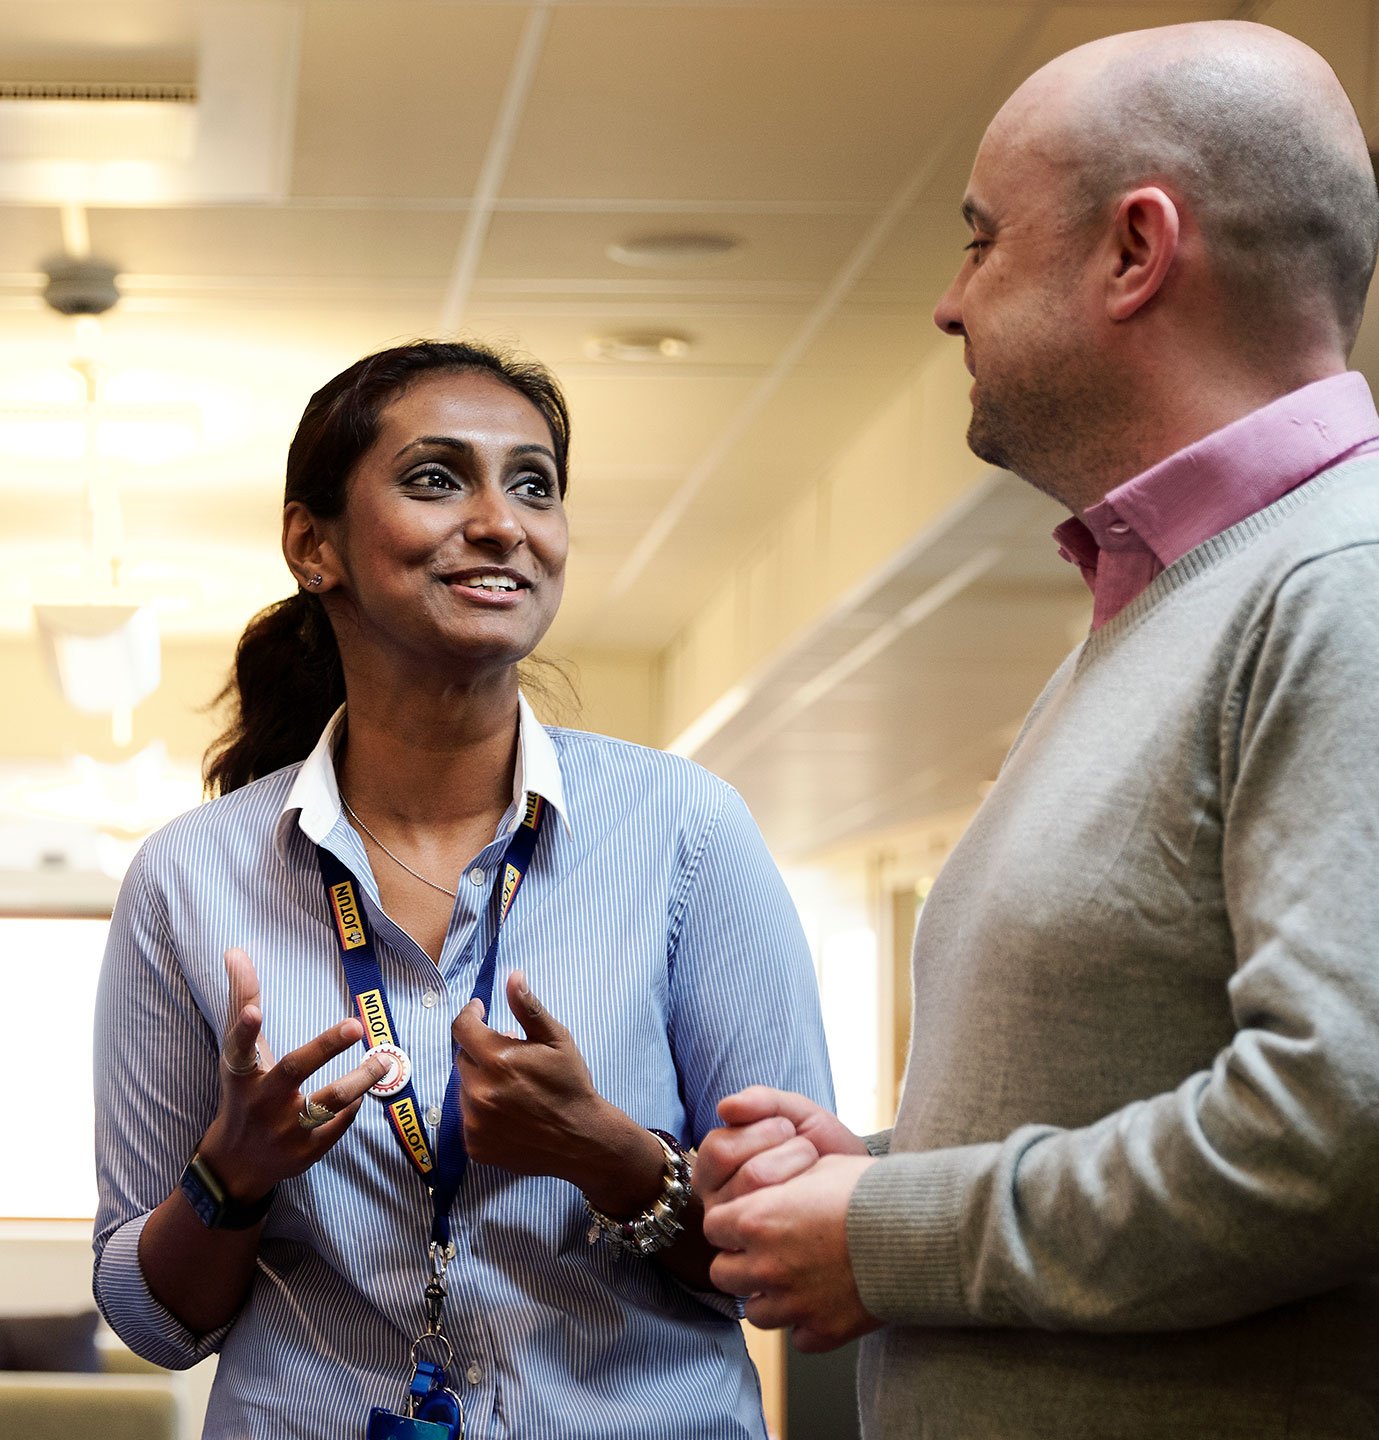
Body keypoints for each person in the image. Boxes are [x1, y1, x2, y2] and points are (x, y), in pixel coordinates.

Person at [694, 20, 1379, 1435]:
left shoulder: (1357, 580)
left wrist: (895, 1231)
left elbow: (1360, 1132)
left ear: (1134, 251)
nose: (949, 304)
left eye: (981, 241)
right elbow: (1144, 1086)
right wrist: (881, 1170)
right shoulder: (1169, 602)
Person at [89, 340, 832, 1438]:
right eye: (437, 479)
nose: (501, 523)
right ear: (313, 545)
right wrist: (227, 1178)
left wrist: (612, 1159)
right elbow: (157, 1322)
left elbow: (799, 1239)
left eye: (534, 485)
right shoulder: (187, 879)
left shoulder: (686, 833)